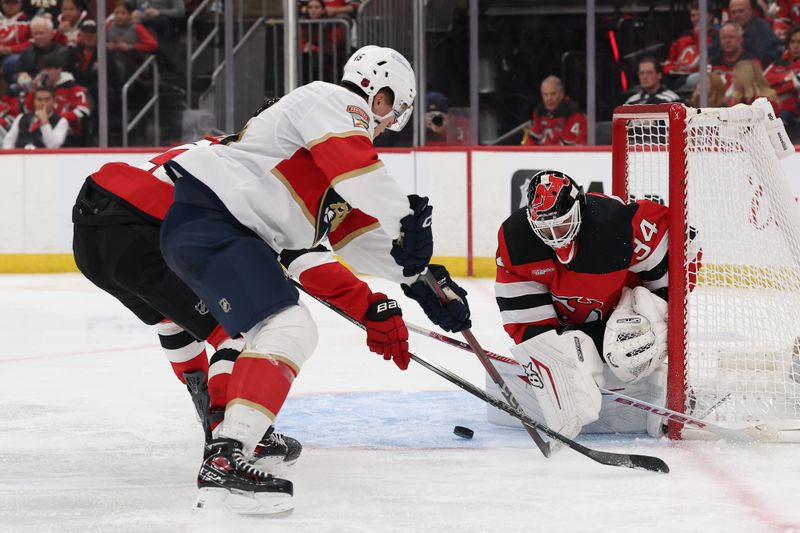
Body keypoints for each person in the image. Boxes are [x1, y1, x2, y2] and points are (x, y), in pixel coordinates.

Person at [158, 45, 471, 514]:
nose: (383, 128)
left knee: (280, 330)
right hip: (214, 223)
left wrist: (420, 278)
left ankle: (229, 452)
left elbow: (359, 238)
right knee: (288, 328)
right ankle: (227, 455)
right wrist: (407, 220)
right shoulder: (329, 100)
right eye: (389, 117)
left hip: (220, 231)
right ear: (380, 96)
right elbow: (361, 174)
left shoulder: (327, 160)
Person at [72, 136, 303, 474]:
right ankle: (226, 436)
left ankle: (205, 400)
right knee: (237, 328)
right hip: (139, 232)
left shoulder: (220, 142)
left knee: (173, 315)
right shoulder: (259, 163)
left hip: (91, 235)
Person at [492, 170, 683, 441]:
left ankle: (663, 390)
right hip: (568, 324)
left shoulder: (616, 225)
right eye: (545, 229)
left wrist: (660, 322)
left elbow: (672, 243)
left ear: (578, 209)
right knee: (562, 354)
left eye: (561, 225)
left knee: (632, 342)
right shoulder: (517, 242)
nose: (555, 236)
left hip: (621, 310)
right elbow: (526, 318)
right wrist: (555, 367)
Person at [23, 53, 90, 141]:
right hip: (41, 127)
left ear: (59, 69)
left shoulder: (71, 87)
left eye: (49, 69)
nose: (45, 73)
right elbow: (28, 109)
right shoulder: (39, 87)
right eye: (43, 70)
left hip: (67, 130)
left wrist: (58, 118)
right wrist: (32, 90)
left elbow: (83, 110)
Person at [522, 75, 587, 146]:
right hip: (546, 154)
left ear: (562, 94)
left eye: (553, 94)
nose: (549, 98)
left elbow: (568, 148)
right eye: (545, 94)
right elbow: (533, 139)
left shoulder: (572, 111)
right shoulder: (540, 110)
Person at [2, 84, 67, 148]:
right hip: (20, 156)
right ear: (34, 101)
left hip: (44, 157)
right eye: (39, 99)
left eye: (47, 100)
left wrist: (45, 123)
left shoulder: (62, 122)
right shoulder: (21, 117)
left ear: (54, 101)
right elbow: (8, 142)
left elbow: (53, 146)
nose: (43, 103)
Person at [710, 21, 761, 99]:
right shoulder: (713, 62)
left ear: (740, 39)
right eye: (724, 37)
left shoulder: (751, 62)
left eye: (731, 37)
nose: (727, 41)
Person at [15, 15, 64, 93]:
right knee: (13, 89)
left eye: (41, 33)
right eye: (35, 34)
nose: (38, 37)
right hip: (29, 87)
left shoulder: (62, 52)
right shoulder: (27, 52)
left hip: (54, 87)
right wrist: (20, 76)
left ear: (51, 34)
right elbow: (17, 73)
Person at [663, 1, 714, 75]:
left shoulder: (717, 36)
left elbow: (708, 59)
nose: (696, 18)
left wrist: (699, 35)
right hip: (680, 75)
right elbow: (671, 61)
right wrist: (676, 68)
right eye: (693, 16)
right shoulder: (684, 36)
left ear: (710, 16)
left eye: (699, 15)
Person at [724, 0, 780, 66]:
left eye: (740, 11)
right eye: (733, 12)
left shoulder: (762, 29)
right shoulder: (725, 29)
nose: (737, 15)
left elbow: (769, 58)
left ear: (750, 11)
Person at [765, 25, 800, 122]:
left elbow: (797, 83)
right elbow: (763, 80)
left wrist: (774, 86)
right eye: (792, 42)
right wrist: (786, 78)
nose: (795, 46)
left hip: (790, 111)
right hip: (771, 106)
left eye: (799, 42)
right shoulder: (779, 61)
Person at [0, 0, 31, 85]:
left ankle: (11, 92)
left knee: (12, 62)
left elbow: (32, 43)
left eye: (14, 3)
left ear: (20, 4)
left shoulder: (28, 22)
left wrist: (11, 49)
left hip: (15, 55)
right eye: (7, 3)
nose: (10, 6)